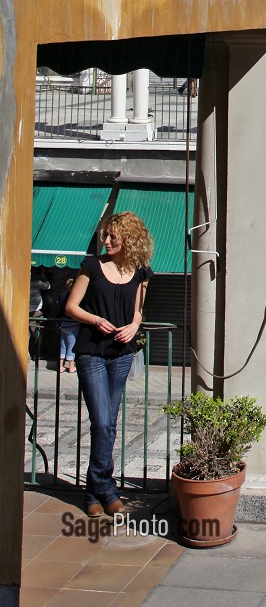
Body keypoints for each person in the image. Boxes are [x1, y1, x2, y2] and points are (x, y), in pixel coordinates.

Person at [66, 212, 154, 519]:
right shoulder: (92, 266)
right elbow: (71, 306)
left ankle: (97, 490)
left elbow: (138, 312)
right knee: (102, 421)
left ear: (129, 238)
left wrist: (133, 326)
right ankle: (102, 489)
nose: (106, 241)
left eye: (113, 237)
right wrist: (96, 320)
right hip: (91, 352)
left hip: (122, 353)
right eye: (106, 236)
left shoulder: (141, 271)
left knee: (111, 423)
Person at [58, 276, 79, 374]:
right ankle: (71, 366)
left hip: (62, 322)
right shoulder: (75, 297)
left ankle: (60, 366)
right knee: (71, 345)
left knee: (62, 345)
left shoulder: (62, 295)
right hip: (72, 323)